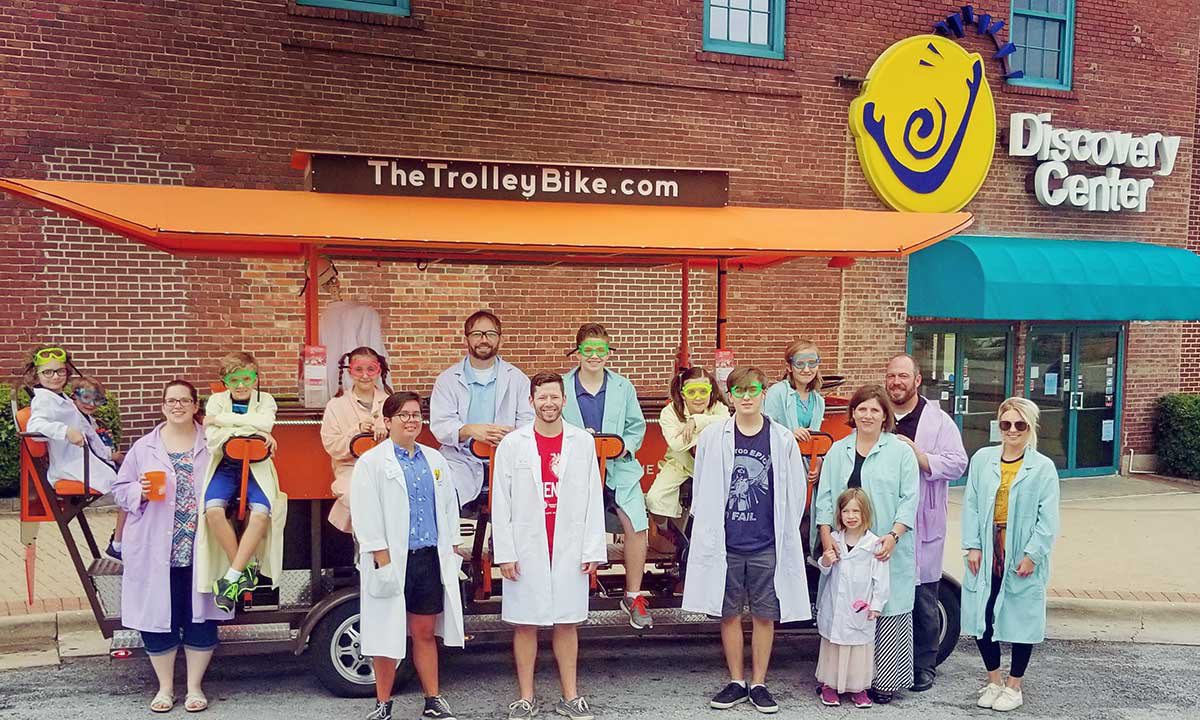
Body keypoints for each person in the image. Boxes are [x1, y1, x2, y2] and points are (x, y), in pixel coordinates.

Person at [683, 366, 810, 715]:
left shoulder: (781, 438)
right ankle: (737, 681)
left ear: (764, 392)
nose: (747, 396)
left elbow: (796, 490)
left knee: (765, 614)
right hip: (726, 543)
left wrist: (784, 528)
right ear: (730, 396)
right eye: (739, 391)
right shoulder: (714, 436)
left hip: (766, 541)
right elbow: (703, 485)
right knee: (728, 614)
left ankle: (759, 683)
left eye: (753, 389)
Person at [491, 372, 606, 720]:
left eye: (554, 397)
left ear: (564, 401)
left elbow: (592, 498)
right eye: (542, 397)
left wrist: (592, 550)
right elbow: (502, 501)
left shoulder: (581, 442)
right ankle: (526, 698)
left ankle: (570, 696)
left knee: (567, 622)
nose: (549, 403)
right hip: (527, 547)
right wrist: (506, 552)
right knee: (525, 623)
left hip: (568, 544)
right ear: (531, 402)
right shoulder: (513, 444)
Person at [111, 380, 229, 713]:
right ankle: (164, 689)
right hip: (154, 548)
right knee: (157, 619)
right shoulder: (144, 447)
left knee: (200, 617)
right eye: (170, 401)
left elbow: (234, 477)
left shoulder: (212, 442)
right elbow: (119, 490)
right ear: (163, 407)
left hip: (199, 546)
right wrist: (140, 492)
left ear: (195, 406)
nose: (177, 406)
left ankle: (194, 688)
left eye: (184, 401)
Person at [350, 391, 465, 720]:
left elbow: (447, 508)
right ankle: (383, 704)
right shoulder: (372, 463)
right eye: (403, 415)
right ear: (387, 422)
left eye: (416, 414)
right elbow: (365, 514)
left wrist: (453, 549)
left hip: (429, 559)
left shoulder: (434, 460)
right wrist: (383, 559)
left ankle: (433, 700)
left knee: (425, 633)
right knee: (386, 634)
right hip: (391, 561)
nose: (412, 420)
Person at [814, 384, 918, 705]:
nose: (868, 415)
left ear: (885, 414)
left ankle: (883, 681)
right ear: (853, 414)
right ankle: (840, 679)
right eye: (862, 409)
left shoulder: (900, 452)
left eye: (875, 409)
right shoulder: (838, 451)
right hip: (844, 546)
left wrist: (894, 535)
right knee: (843, 610)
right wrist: (826, 538)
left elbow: (909, 498)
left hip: (886, 544)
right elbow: (825, 499)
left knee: (883, 607)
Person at [961, 398, 1059, 713]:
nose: (1013, 430)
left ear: (1030, 428)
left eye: (1020, 425)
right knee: (982, 615)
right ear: (998, 426)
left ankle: (1014, 686)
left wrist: (1033, 554)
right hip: (988, 547)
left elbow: (1048, 519)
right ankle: (994, 681)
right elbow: (971, 504)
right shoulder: (982, 459)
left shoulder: (1042, 467)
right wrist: (973, 544)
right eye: (1006, 424)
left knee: (1021, 618)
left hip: (1020, 551)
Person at [884, 354, 968, 692]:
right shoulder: (879, 413)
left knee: (923, 599)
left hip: (922, 521)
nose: (896, 382)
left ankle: (924, 666)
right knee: (885, 597)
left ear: (917, 380)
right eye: (891, 376)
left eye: (903, 376)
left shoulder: (938, 422)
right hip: (886, 520)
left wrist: (918, 455)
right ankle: (887, 663)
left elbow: (958, 463)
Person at [560, 323, 652, 629]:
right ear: (578, 352)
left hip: (617, 466)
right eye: (588, 350)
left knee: (636, 522)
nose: (595, 356)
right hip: (572, 467)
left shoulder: (623, 387)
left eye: (601, 350)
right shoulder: (561, 387)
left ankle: (633, 595)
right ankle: (566, 594)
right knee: (565, 525)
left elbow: (636, 426)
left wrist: (622, 445)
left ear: (609, 353)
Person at [196, 351, 288, 613]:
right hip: (225, 467)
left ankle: (231, 579)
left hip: (258, 468)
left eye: (246, 378)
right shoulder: (215, 401)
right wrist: (253, 431)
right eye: (234, 380)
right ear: (225, 381)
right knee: (212, 510)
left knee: (261, 514)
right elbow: (213, 441)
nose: (240, 385)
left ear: (255, 378)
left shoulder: (265, 400)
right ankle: (244, 568)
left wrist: (224, 423)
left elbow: (265, 422)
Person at [430, 310, 533, 508]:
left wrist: (511, 435)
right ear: (466, 339)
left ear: (500, 339)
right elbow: (441, 425)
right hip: (460, 461)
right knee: (440, 496)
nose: (484, 339)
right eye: (477, 334)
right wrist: (469, 430)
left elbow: (528, 422)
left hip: (507, 459)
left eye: (490, 334)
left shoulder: (517, 378)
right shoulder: (447, 380)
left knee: (524, 506)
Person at [815, 488, 890, 709]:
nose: (851, 516)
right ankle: (829, 686)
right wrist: (826, 560)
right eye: (846, 511)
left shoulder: (874, 544)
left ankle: (858, 688)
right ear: (839, 514)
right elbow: (826, 571)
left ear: (865, 512)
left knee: (858, 649)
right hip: (836, 607)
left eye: (856, 510)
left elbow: (881, 578)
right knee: (834, 646)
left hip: (861, 609)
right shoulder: (834, 540)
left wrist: (877, 605)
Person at [22, 346, 119, 496]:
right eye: (47, 372)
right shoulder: (44, 400)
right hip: (70, 466)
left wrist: (107, 453)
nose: (55, 377)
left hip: (84, 460)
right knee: (125, 488)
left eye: (60, 371)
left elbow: (87, 431)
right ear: (36, 376)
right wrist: (66, 431)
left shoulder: (63, 398)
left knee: (128, 482)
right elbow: (35, 426)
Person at [645, 366, 730, 536]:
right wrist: (708, 431)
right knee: (654, 499)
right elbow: (676, 445)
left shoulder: (719, 408)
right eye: (692, 392)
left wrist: (696, 421)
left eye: (703, 391)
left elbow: (727, 422)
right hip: (679, 463)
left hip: (712, 466)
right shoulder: (669, 412)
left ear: (711, 391)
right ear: (683, 394)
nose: (698, 397)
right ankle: (667, 531)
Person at [321, 346, 391, 533]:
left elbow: (405, 441)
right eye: (358, 370)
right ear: (350, 371)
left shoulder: (391, 403)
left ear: (379, 370)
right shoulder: (336, 405)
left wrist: (388, 428)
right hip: (350, 469)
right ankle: (367, 555)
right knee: (361, 499)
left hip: (387, 469)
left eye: (371, 369)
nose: (365, 375)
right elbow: (331, 445)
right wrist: (356, 432)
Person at [70, 376, 127, 560]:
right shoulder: (76, 419)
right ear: (74, 396)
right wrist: (114, 456)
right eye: (86, 398)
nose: (91, 404)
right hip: (85, 467)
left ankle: (123, 536)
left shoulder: (87, 418)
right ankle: (118, 543)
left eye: (97, 400)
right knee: (130, 490)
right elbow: (94, 447)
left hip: (97, 464)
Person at [763, 339, 827, 482]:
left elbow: (817, 442)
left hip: (806, 471)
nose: (806, 369)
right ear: (789, 367)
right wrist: (789, 434)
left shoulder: (819, 401)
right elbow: (763, 430)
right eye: (800, 363)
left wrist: (818, 463)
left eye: (812, 363)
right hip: (780, 468)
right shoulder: (777, 393)